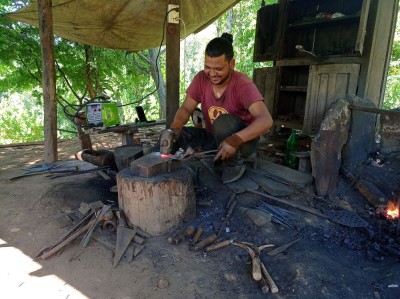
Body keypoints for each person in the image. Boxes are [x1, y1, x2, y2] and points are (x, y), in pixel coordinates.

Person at [161, 32, 273, 181]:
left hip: (243, 142)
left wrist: (235, 140)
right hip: (214, 137)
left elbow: (266, 120)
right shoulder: (201, 78)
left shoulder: (242, 84)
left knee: (222, 122)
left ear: (231, 64)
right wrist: (175, 128)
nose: (212, 73)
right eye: (208, 67)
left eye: (218, 69)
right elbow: (186, 108)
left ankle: (234, 164)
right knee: (177, 135)